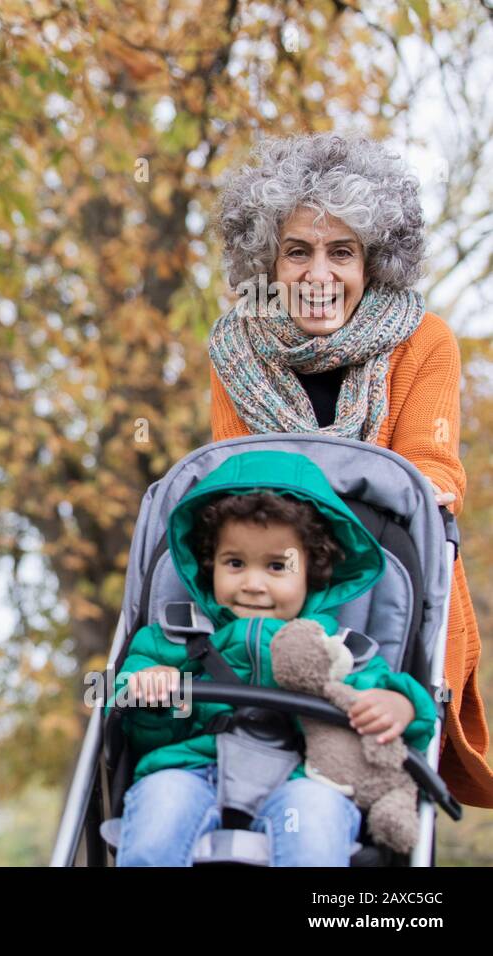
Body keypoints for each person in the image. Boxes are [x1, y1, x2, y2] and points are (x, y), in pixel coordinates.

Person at [209, 132, 493, 807]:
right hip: (267, 583)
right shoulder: (233, 350)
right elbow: (233, 487)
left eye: (342, 252)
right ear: (267, 263)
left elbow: (435, 475)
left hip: (382, 585)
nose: (318, 274)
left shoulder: (425, 342)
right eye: (297, 251)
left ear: (374, 262)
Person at [109, 450, 436, 867]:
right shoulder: (172, 638)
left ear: (314, 571)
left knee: (316, 823)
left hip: (303, 781)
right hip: (191, 769)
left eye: (277, 566)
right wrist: (145, 694)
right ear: (209, 565)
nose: (253, 584)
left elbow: (401, 705)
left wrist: (402, 706)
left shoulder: (338, 650)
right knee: (160, 808)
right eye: (234, 563)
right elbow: (122, 720)